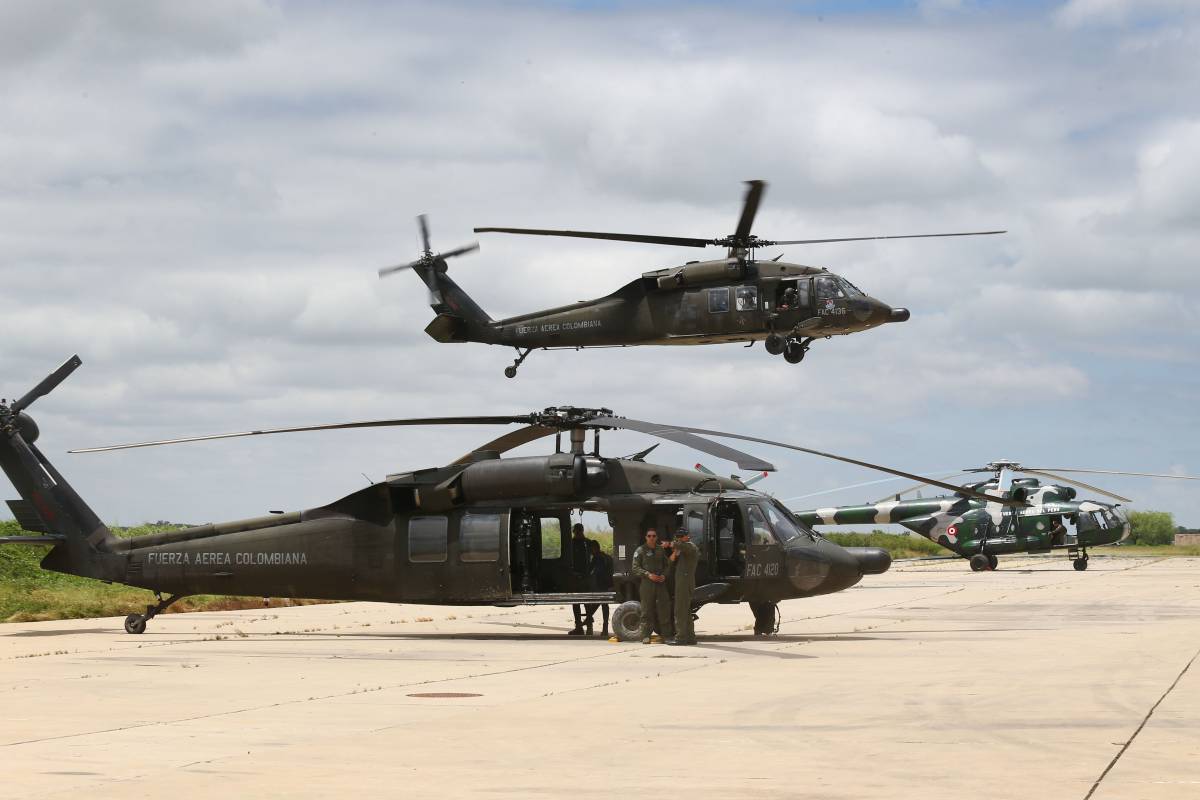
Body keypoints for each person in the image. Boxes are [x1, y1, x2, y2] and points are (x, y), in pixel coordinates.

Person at [631, 528, 672, 644]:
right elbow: (635, 567)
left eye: (654, 536)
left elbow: (667, 565)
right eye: (649, 536)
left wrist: (664, 575)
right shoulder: (640, 550)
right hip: (647, 584)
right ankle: (645, 635)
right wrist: (648, 574)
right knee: (646, 610)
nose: (651, 538)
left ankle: (666, 635)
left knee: (664, 609)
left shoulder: (660, 550)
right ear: (646, 537)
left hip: (660, 583)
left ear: (657, 537)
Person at [666, 527, 700, 646]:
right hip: (683, 582)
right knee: (685, 611)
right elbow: (670, 561)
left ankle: (680, 637)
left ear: (687, 536)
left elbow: (680, 546)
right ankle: (690, 637)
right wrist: (675, 550)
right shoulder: (682, 548)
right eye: (678, 537)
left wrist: (669, 544)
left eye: (681, 536)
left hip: (685, 583)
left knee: (680, 610)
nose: (679, 539)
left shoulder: (690, 546)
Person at [583, 539, 613, 637]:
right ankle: (602, 627)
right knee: (603, 605)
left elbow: (594, 571)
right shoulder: (606, 557)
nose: (590, 552)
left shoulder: (598, 558)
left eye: (590, 549)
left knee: (596, 603)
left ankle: (589, 621)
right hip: (607, 585)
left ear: (594, 548)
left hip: (601, 586)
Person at [568, 523, 590, 635]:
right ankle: (579, 626)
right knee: (576, 602)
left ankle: (586, 626)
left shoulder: (585, 543)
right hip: (578, 576)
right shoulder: (584, 543)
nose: (577, 534)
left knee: (585, 601)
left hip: (583, 577)